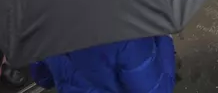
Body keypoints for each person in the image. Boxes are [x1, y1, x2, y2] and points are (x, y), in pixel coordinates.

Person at [30, 36, 175, 92]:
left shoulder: (43, 24)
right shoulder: (126, 34)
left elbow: (42, 77)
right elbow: (156, 89)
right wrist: (165, 39)